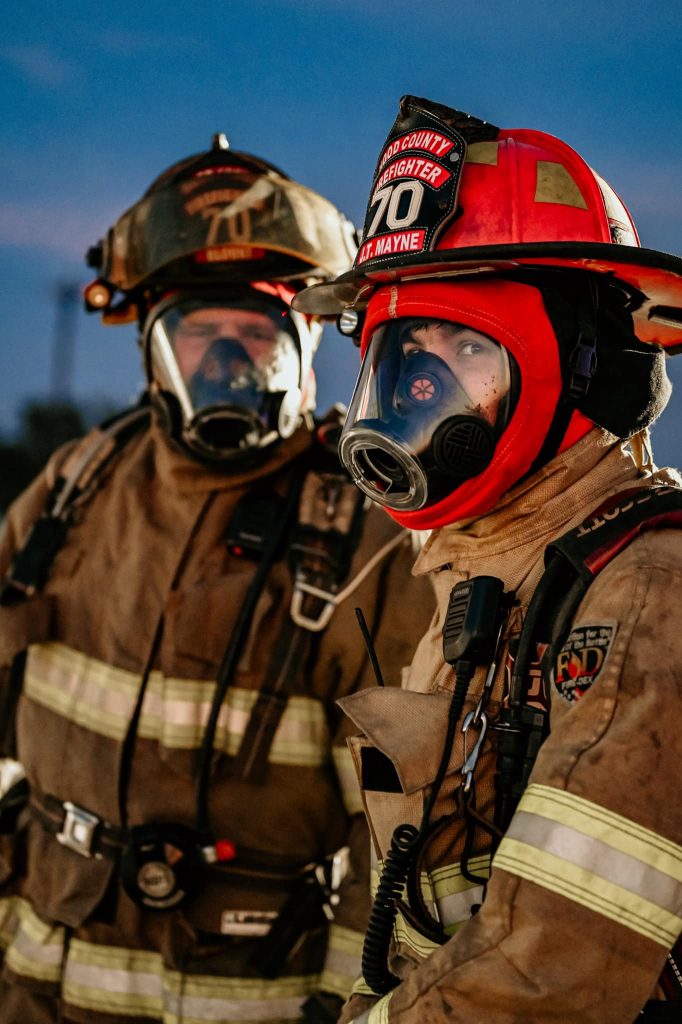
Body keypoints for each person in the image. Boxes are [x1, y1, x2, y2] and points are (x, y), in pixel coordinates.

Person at [0, 133, 435, 1023]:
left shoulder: (366, 541)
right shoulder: (75, 489)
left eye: (257, 338)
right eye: (202, 338)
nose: (229, 367)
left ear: (312, 347)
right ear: (153, 354)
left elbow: (404, 834)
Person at [294, 96, 682, 1022]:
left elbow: (550, 972)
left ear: (587, 366)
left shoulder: (647, 590)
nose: (417, 393)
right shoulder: (492, 565)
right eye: (402, 353)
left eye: (464, 346)